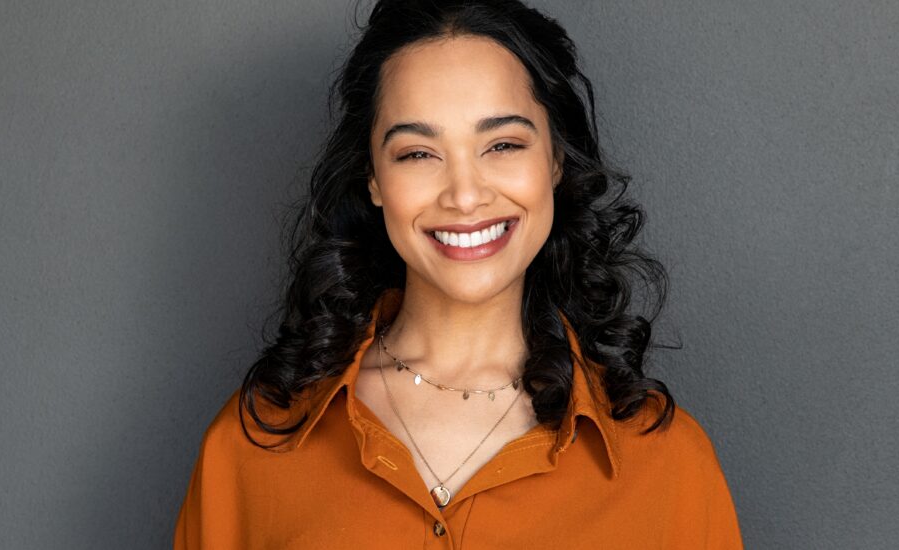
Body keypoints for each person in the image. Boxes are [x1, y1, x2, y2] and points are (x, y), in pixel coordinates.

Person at [174, 0, 742, 547]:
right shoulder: (254, 445)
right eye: (418, 153)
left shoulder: (669, 466)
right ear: (372, 177)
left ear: (556, 160)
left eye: (502, 144)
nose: (466, 196)